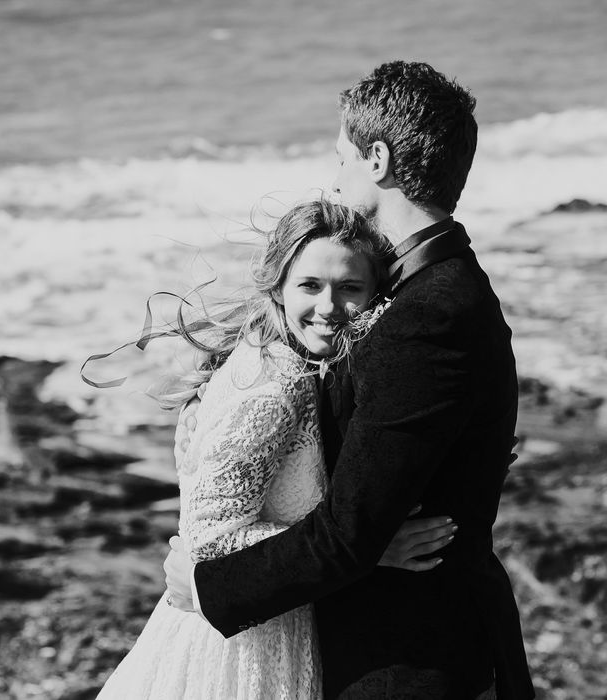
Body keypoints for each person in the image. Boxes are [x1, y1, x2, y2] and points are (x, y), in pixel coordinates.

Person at [165, 61, 535, 699]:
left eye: (341, 158)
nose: (332, 178)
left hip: (410, 659)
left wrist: (205, 586)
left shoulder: (429, 314)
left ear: (379, 160)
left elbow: (348, 535)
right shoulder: (427, 291)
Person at [96, 200, 455, 699]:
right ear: (278, 287)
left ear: (375, 296)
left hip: (268, 620)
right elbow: (208, 541)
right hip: (240, 647)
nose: (328, 306)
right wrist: (366, 552)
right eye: (310, 286)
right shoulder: (273, 386)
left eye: (350, 288)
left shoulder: (295, 363)